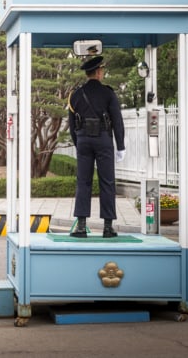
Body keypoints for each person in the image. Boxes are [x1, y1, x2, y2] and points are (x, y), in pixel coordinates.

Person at [67, 56, 126, 238]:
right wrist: (120, 146)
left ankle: (81, 227)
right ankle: (108, 227)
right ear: (99, 72)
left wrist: (79, 143)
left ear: (87, 74)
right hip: (103, 140)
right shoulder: (108, 93)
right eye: (102, 71)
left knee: (83, 182)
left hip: (84, 140)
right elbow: (117, 120)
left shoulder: (75, 95)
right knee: (107, 182)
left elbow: (71, 125)